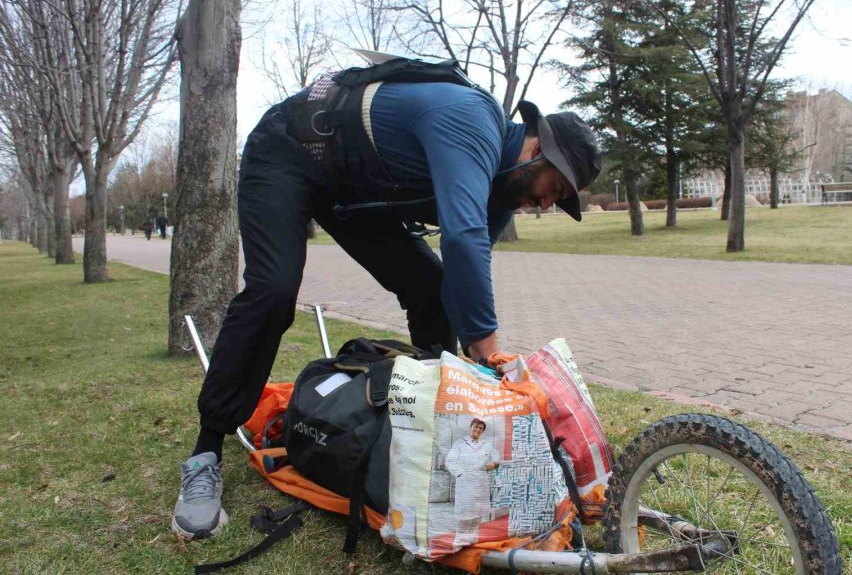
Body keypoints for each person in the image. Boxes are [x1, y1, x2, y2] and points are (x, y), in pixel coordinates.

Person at [171, 65, 602, 540]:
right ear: (536, 151)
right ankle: (205, 452)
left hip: (349, 193)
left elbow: (463, 278)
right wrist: (492, 354)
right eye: (553, 191)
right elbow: (462, 240)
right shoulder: (472, 119)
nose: (545, 206)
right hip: (287, 153)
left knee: (434, 291)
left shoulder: (502, 190)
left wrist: (479, 381)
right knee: (273, 292)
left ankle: (432, 434)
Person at [444, 418, 501, 543]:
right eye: (476, 427)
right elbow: (450, 461)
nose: (478, 430)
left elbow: (496, 456)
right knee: (464, 517)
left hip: (481, 484)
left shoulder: (486, 445)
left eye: (481, 428)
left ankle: (472, 543)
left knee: (477, 518)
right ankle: (459, 544)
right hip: (465, 484)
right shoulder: (460, 443)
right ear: (471, 427)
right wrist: (461, 475)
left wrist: (494, 463)